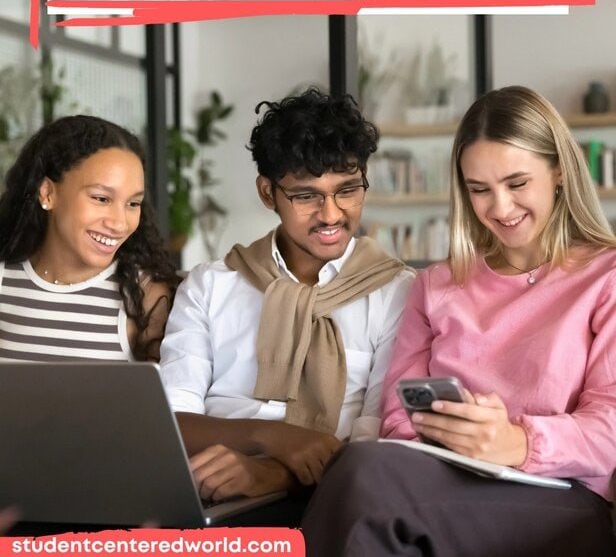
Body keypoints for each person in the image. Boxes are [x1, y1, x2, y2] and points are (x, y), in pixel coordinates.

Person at [302, 85, 616, 557]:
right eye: (479, 190)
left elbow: (609, 429)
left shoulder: (605, 278)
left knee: (366, 476)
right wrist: (452, 440)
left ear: (557, 173)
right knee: (368, 476)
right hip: (441, 480)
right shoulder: (436, 285)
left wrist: (518, 442)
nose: (501, 208)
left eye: (517, 183)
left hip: (561, 496)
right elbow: (398, 416)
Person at [159, 87, 413, 509]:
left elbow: (379, 436)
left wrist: (273, 474)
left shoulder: (395, 292)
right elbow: (168, 424)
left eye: (348, 190)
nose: (331, 214)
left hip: (339, 496)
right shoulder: (210, 285)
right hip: (209, 491)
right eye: (306, 196)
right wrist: (269, 436)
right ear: (267, 193)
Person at [0, 114, 179, 362]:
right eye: (101, 199)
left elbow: (165, 399)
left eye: (133, 203)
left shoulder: (146, 298)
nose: (118, 223)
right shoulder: (3, 282)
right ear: (48, 193)